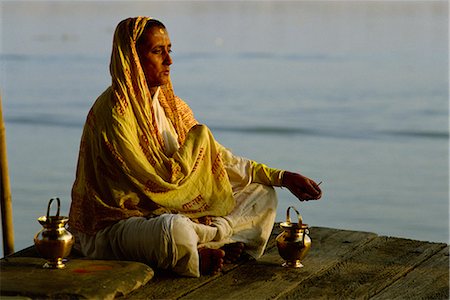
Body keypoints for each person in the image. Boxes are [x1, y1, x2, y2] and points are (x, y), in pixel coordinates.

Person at [68, 17, 322, 277]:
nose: (169, 60)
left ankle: (206, 240)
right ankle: (204, 243)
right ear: (131, 58)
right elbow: (147, 187)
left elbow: (221, 160)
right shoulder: (114, 112)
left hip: (183, 213)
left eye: (169, 50)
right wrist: (194, 210)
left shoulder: (174, 108)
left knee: (263, 194)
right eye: (157, 51)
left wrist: (282, 177)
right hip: (118, 225)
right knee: (171, 230)